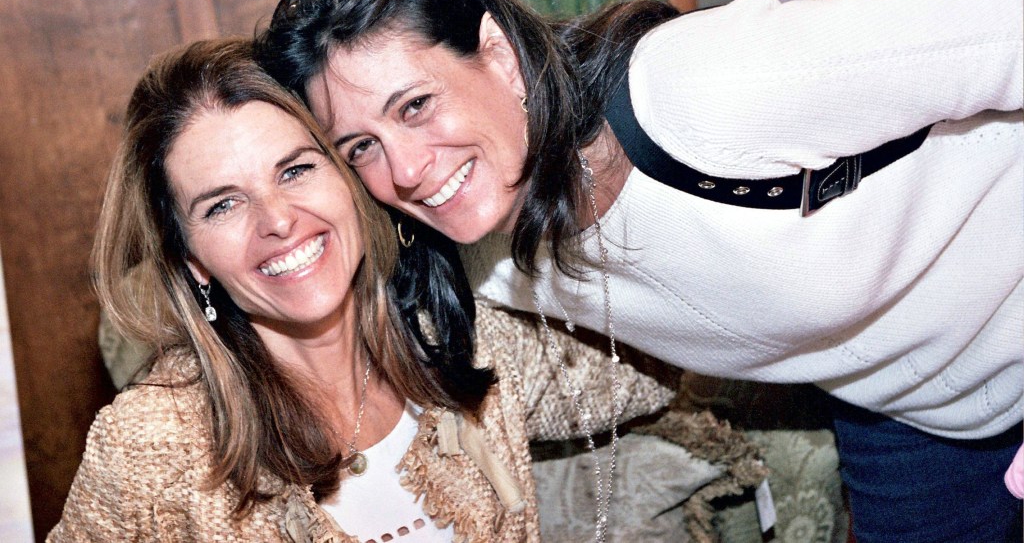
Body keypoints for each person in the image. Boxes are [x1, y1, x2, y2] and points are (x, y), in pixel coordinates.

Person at [257, 0, 1024, 542]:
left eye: (417, 105)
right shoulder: (476, 255)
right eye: (360, 147)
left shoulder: (705, 92)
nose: (408, 170)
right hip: (913, 415)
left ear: (496, 55)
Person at [48, 37, 687, 542]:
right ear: (192, 262)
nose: (277, 220)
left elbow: (659, 355)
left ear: (351, 180)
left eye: (295, 170)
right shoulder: (151, 443)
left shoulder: (466, 343)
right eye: (223, 205)